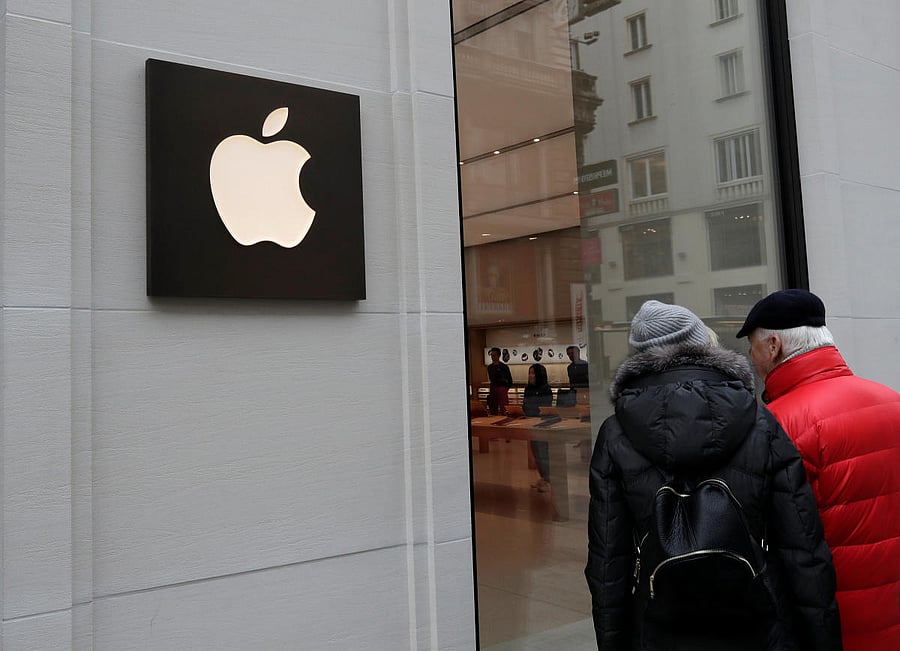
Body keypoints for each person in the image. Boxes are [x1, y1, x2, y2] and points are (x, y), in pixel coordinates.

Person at [585, 300, 840, 650]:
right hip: (758, 623)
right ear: (703, 344)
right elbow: (803, 547)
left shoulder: (615, 434)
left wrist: (613, 642)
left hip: (659, 625)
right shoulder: (759, 421)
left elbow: (607, 563)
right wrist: (822, 640)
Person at [736, 288, 900, 651]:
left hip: (836, 624)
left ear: (774, 345)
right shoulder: (891, 400)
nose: (751, 357)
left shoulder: (777, 424)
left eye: (752, 346)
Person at [522, 363, 553, 492]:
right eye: (529, 373)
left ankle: (548, 479)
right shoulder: (528, 389)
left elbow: (545, 408)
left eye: (533, 373)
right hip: (530, 422)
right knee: (536, 452)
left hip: (541, 424)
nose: (530, 376)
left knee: (542, 453)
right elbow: (525, 404)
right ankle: (543, 478)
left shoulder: (546, 389)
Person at [486, 346, 512, 415]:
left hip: (502, 388)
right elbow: (491, 378)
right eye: (491, 355)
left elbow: (510, 380)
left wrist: (505, 389)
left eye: (494, 355)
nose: (492, 357)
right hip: (493, 388)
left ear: (499, 355)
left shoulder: (504, 367)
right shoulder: (490, 367)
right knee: (493, 409)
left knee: (504, 409)